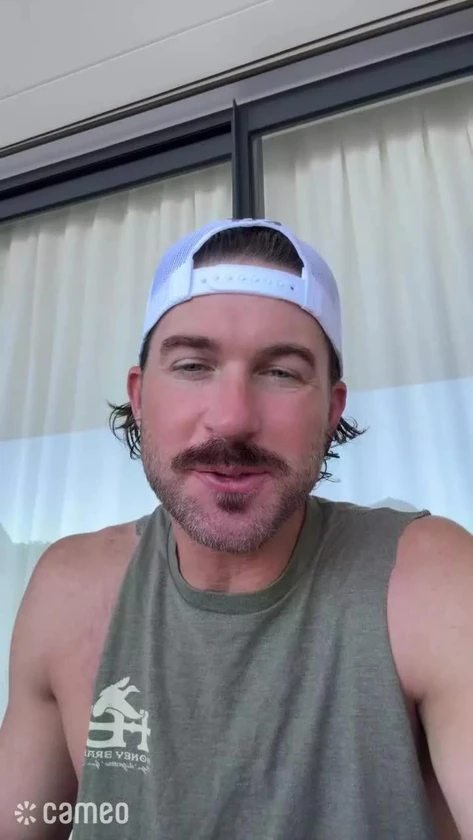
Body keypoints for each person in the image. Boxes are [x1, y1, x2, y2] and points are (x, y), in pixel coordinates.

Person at [0, 219, 471, 840]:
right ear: (139, 397)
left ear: (332, 411)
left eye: (281, 373)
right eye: (193, 365)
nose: (231, 419)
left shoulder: (431, 583)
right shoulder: (67, 591)